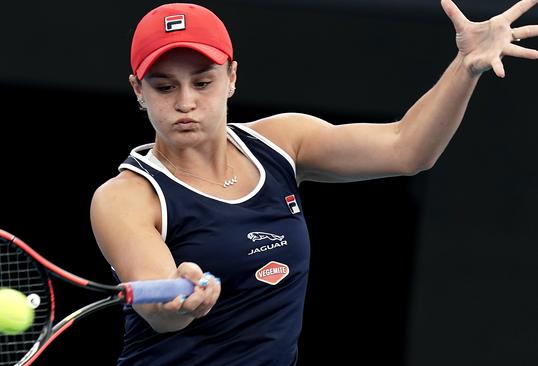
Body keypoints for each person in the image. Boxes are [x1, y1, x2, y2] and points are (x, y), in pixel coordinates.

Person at [90, 2, 538, 365]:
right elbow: (158, 311)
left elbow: (407, 149)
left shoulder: (283, 141)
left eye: (202, 82)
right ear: (137, 89)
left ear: (231, 78)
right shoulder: (125, 198)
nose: (186, 102)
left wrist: (466, 67)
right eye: (164, 87)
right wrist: (178, 297)